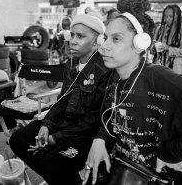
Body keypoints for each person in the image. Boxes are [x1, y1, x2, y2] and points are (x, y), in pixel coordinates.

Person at [83, 0, 182, 185]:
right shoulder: (114, 75)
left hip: (156, 177)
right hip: (123, 170)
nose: (103, 46)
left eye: (116, 39)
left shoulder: (161, 80)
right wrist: (100, 139)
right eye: (105, 38)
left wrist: (170, 154)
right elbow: (108, 112)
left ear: (139, 43)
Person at [9, 12, 109, 185]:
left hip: (87, 134)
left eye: (81, 36)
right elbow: (62, 100)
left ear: (96, 41)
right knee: (18, 139)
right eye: (73, 35)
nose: (74, 41)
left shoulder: (104, 69)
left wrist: (56, 138)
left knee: (52, 163)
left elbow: (93, 119)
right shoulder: (71, 64)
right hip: (65, 124)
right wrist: (47, 125)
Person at [152, 4, 182, 78]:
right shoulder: (159, 29)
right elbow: (154, 50)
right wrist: (154, 47)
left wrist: (168, 48)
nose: (167, 19)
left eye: (170, 16)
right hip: (159, 70)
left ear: (177, 16)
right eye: (165, 16)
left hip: (177, 71)